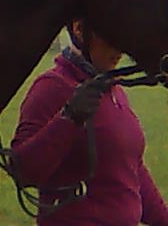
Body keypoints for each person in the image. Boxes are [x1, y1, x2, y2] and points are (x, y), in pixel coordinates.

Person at [11, 19, 168, 225]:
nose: (119, 49)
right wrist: (69, 118)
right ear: (79, 29)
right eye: (111, 37)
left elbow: (131, 170)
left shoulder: (112, 89)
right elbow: (22, 170)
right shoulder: (51, 87)